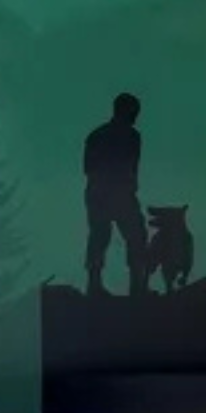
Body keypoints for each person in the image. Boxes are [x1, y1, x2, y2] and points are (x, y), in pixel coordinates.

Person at [83, 93, 147, 295]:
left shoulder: (96, 135)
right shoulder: (132, 137)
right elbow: (131, 168)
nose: (136, 117)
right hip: (116, 193)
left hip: (99, 193)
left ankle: (96, 283)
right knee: (134, 235)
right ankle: (136, 285)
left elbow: (87, 168)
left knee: (100, 236)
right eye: (134, 112)